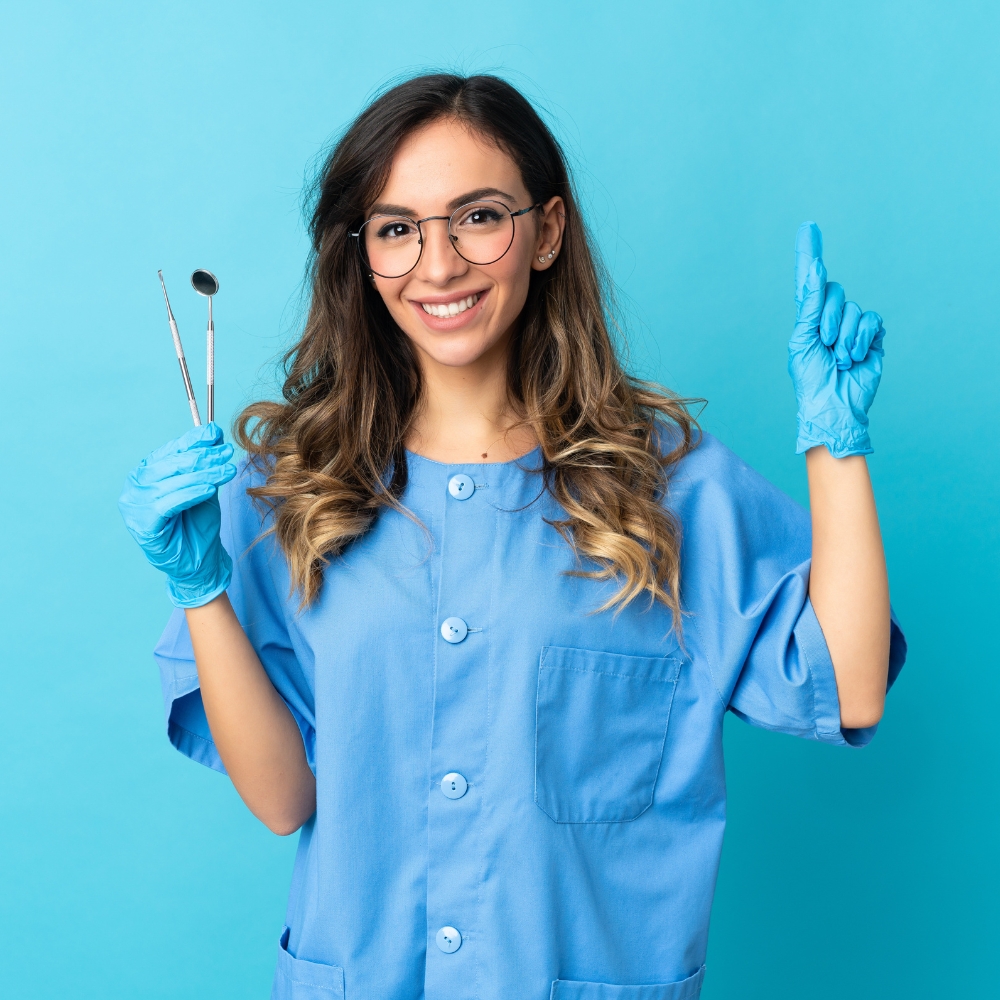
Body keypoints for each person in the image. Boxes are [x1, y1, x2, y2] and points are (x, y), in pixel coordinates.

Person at [119, 74, 906, 1000]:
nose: (439, 264)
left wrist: (836, 448)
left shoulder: (668, 486)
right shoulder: (295, 490)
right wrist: (201, 589)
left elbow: (850, 691)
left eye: (479, 216)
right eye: (397, 228)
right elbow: (286, 799)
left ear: (550, 232)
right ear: (363, 255)